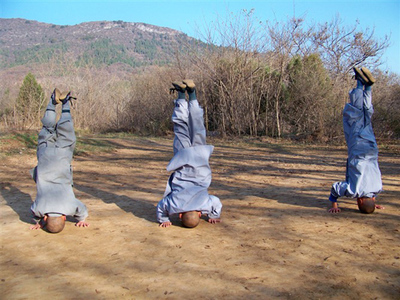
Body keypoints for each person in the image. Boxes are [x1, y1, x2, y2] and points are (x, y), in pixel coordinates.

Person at [157, 80, 222, 228]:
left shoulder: (205, 204)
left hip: (200, 157)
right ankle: (181, 93)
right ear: (180, 215)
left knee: (198, 127)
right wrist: (165, 220)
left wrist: (214, 215)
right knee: (181, 127)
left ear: (200, 214)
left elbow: (217, 203)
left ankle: (192, 94)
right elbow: (161, 207)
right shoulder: (174, 205)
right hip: (184, 157)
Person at [30, 88, 89, 232]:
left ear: (64, 218)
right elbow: (34, 211)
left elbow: (82, 210)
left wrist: (82, 219)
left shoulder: (70, 206)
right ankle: (52, 101)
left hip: (62, 157)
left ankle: (65, 102)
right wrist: (37, 222)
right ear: (45, 218)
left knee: (66, 131)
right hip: (45, 157)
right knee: (47, 129)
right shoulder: (39, 209)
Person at [328, 67, 384, 214]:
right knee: (354, 117)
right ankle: (360, 82)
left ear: (371, 199)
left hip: (372, 148)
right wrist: (334, 206)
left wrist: (372, 204)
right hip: (358, 149)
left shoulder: (377, 188)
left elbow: (371, 195)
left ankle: (368, 87)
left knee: (366, 117)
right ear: (359, 200)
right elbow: (335, 189)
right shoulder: (354, 190)